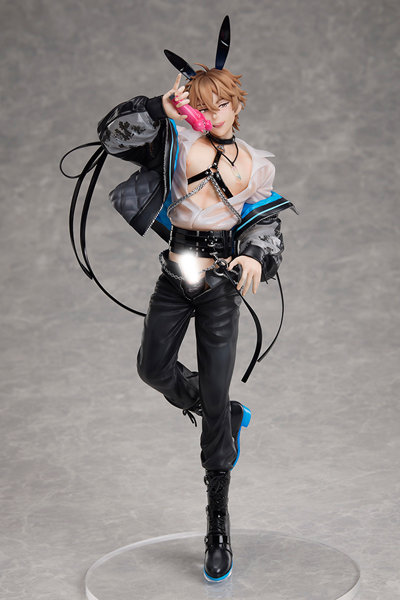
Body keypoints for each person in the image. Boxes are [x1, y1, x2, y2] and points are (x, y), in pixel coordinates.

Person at [72, 16, 296, 583]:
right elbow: (110, 136)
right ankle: (222, 412)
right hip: (176, 274)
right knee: (152, 367)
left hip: (221, 285)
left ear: (236, 105)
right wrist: (157, 108)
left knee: (215, 392)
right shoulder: (174, 142)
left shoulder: (256, 163)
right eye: (203, 104)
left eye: (221, 104)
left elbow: (266, 219)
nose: (212, 113)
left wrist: (255, 255)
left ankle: (217, 522)